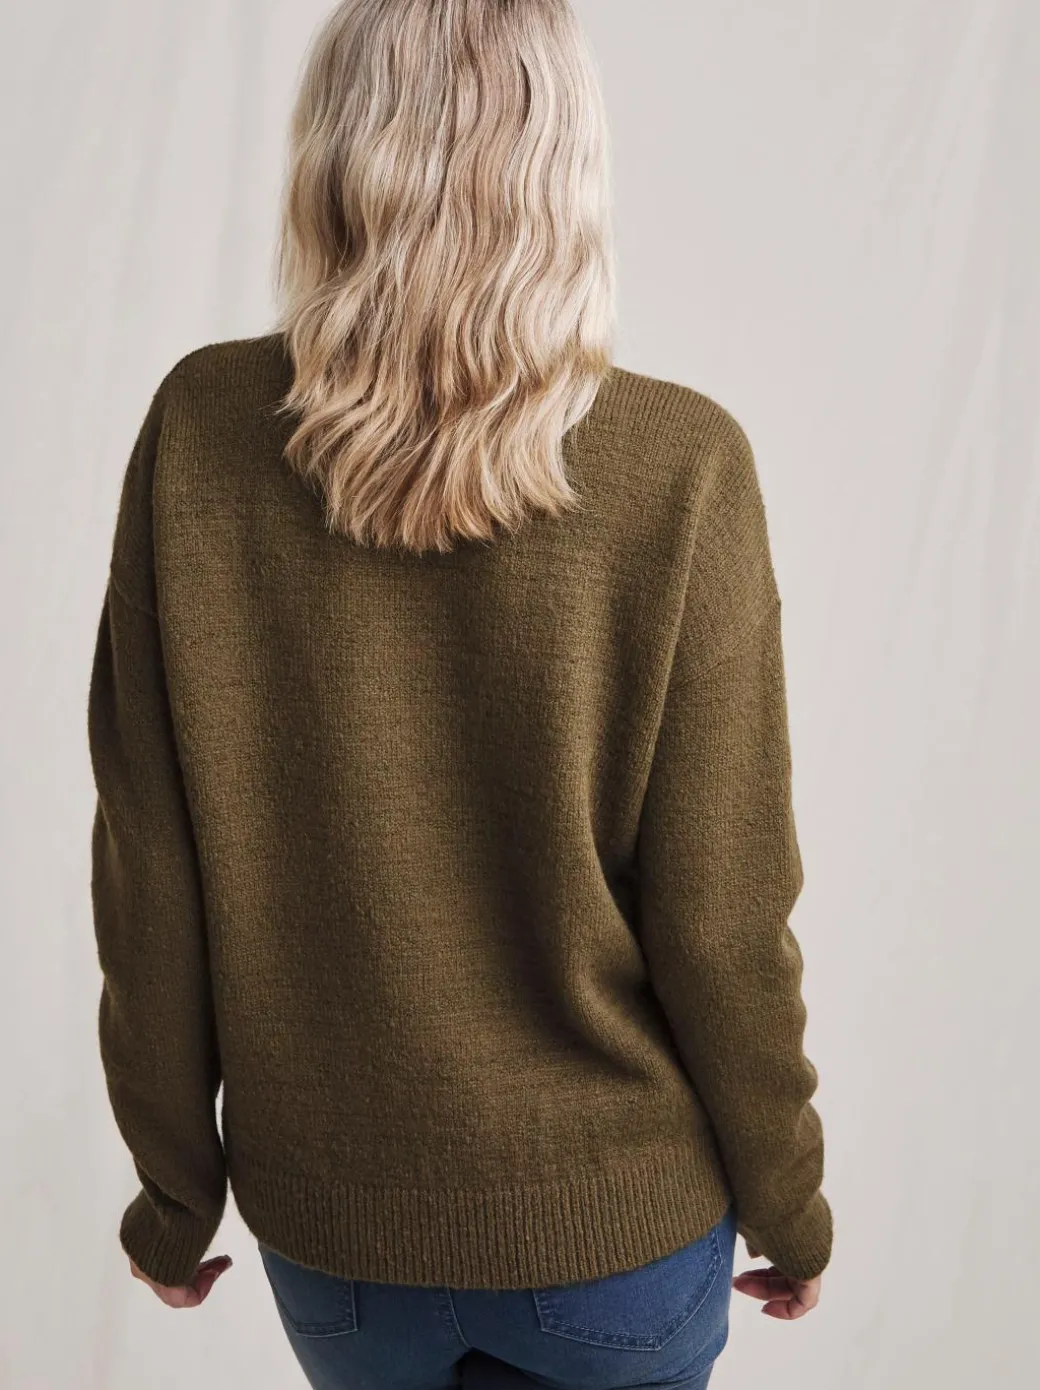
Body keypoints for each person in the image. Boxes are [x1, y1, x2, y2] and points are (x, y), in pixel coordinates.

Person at [87, 1, 831, 1385]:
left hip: (337, 1237)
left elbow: (150, 872)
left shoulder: (200, 431)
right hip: (618, 1231)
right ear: (564, 165)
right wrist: (790, 1201)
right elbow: (723, 914)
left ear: (333, 155)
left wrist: (174, 1192)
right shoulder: (681, 465)